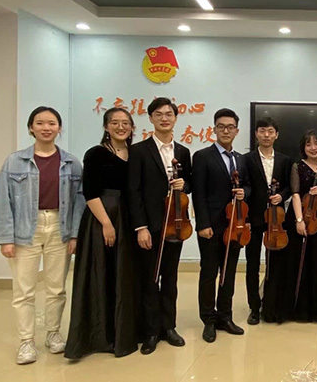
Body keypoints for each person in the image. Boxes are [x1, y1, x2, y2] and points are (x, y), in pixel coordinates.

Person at [0, 106, 85, 365]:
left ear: (59, 128)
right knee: (24, 290)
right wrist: (5, 238)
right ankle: (26, 342)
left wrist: (75, 234)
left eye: (52, 123)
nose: (46, 127)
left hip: (59, 227)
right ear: (31, 128)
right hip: (25, 229)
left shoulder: (71, 162)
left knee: (57, 288)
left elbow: (79, 202)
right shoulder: (14, 161)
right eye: (40, 123)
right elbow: (3, 200)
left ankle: (53, 334)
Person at [65, 108, 137, 359]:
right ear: (106, 126)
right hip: (101, 219)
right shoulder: (95, 153)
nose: (121, 127)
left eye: (125, 123)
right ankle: (100, 336)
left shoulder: (135, 154)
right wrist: (106, 223)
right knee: (101, 274)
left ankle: (122, 333)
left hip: (127, 219)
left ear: (132, 127)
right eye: (115, 122)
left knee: (123, 275)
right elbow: (90, 191)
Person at [128, 97, 192, 355]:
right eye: (159, 114)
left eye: (169, 114)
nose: (164, 118)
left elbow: (189, 184)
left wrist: (184, 185)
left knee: (171, 278)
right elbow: (134, 191)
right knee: (150, 278)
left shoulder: (183, 152)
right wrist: (140, 227)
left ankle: (169, 327)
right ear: (151, 118)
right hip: (151, 226)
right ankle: (151, 331)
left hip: (175, 224)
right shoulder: (138, 151)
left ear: (175, 118)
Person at [262, 129, 317, 323]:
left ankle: (316, 308)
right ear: (304, 148)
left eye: (316, 143)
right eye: (308, 144)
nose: (313, 148)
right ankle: (295, 307)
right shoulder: (297, 166)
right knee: (294, 262)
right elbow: (295, 193)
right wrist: (299, 220)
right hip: (298, 216)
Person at [192, 108, 251, 343]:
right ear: (214, 129)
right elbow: (198, 193)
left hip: (235, 225)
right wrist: (203, 224)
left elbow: (248, 186)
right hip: (211, 226)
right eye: (221, 126)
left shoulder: (241, 159)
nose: (226, 131)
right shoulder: (202, 156)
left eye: (230, 127)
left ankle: (225, 316)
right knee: (209, 273)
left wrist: (244, 192)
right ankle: (208, 319)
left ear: (237, 131)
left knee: (229, 272)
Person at [243, 117, 292, 325]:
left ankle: (272, 303)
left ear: (276, 135)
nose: (266, 135)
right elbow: (245, 186)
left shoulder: (285, 160)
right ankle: (254, 307)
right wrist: (245, 218)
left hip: (276, 219)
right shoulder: (246, 159)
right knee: (252, 264)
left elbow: (290, 186)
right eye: (262, 131)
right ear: (256, 134)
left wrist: (282, 195)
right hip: (254, 218)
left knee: (275, 263)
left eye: (270, 131)